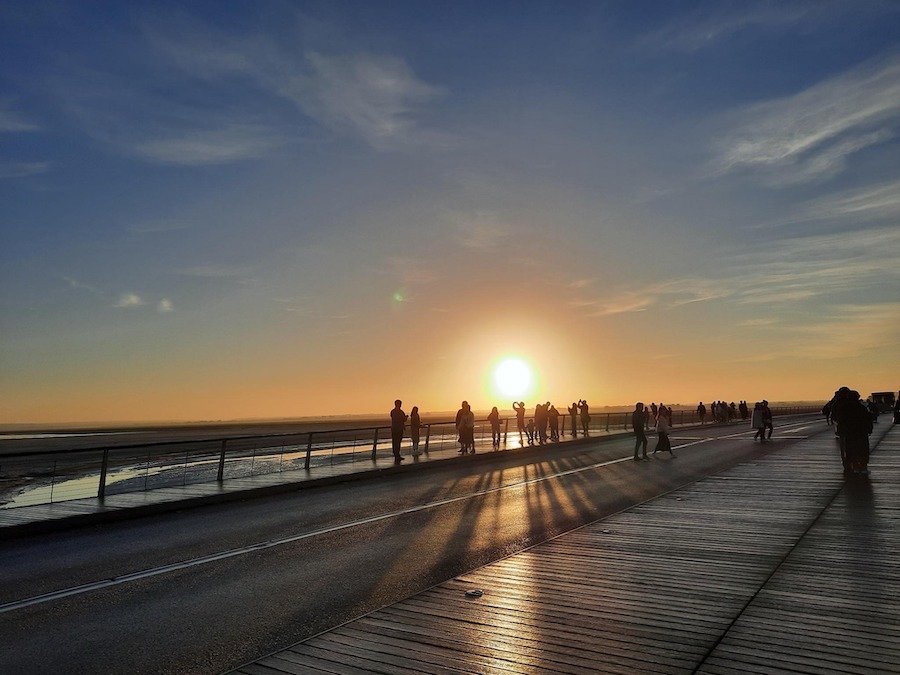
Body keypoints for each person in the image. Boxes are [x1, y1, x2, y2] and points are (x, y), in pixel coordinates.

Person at [832, 388, 874, 475]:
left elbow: (840, 420)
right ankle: (863, 467)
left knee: (851, 450)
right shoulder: (862, 408)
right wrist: (869, 429)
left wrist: (840, 431)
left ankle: (853, 466)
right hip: (861, 433)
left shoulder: (844, 408)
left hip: (849, 433)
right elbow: (868, 419)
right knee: (862, 450)